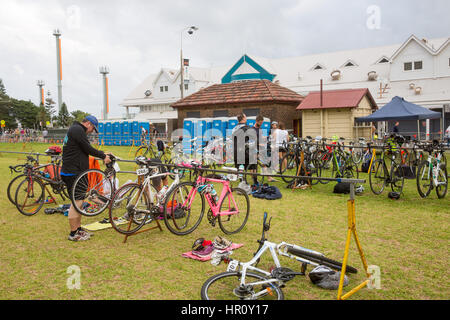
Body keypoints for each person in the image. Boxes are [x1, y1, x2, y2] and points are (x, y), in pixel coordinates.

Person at [61, 115, 112, 241]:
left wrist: (102, 153)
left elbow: (84, 149)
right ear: (88, 124)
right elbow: (87, 148)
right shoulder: (78, 130)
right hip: (73, 172)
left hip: (75, 171)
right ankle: (73, 234)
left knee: (79, 202)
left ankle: (78, 229)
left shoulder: (75, 129)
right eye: (93, 129)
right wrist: (102, 155)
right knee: (76, 203)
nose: (91, 132)